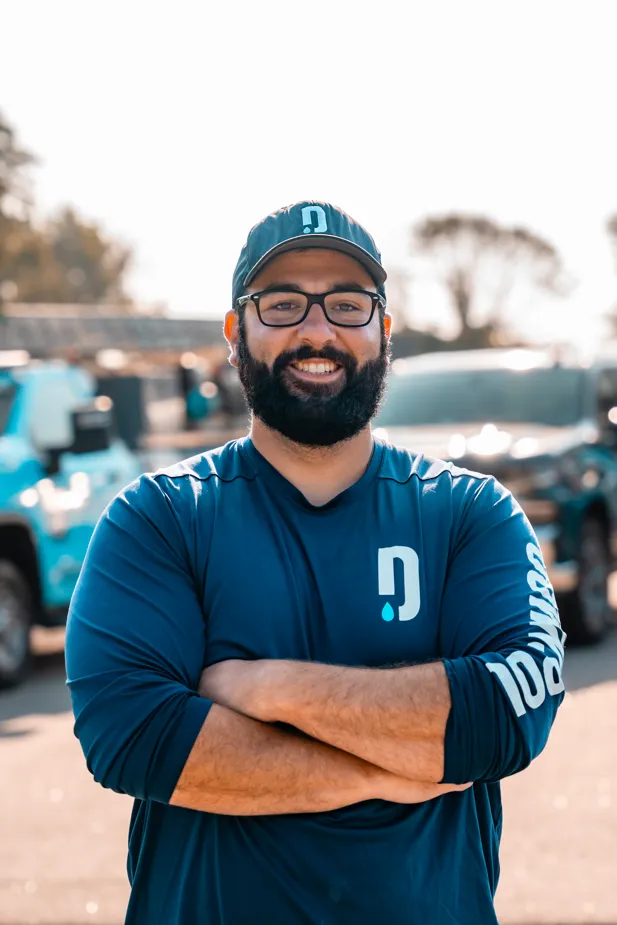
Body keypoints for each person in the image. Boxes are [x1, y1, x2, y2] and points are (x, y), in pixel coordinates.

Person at [66, 201, 566, 925]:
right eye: (282, 304)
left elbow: (505, 716)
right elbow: (132, 735)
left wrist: (262, 684)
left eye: (346, 303)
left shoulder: (470, 514)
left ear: (383, 332)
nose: (316, 328)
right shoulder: (157, 519)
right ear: (236, 333)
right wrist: (401, 759)